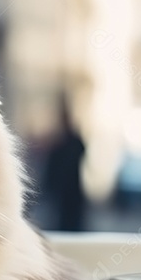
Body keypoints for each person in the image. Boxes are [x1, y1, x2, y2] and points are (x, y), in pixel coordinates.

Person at [42, 96, 87, 231]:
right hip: (63, 193)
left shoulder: (71, 140)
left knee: (72, 222)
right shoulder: (59, 141)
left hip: (71, 190)